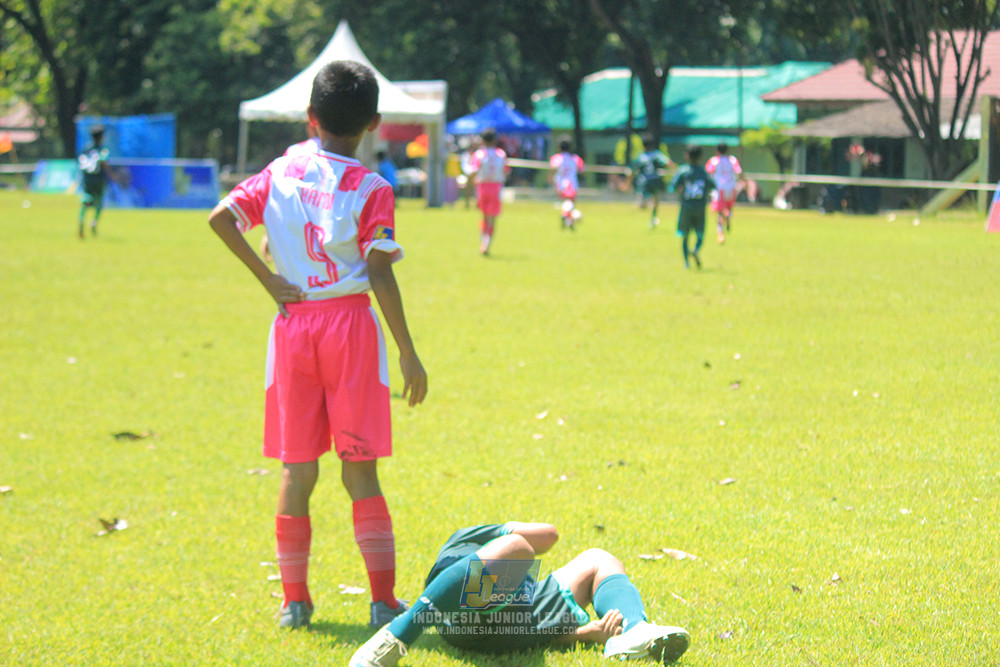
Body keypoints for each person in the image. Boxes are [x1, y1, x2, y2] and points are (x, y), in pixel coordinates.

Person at [208, 60, 428, 631]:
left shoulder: (282, 169)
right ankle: (383, 601)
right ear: (374, 122)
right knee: (361, 471)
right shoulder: (373, 189)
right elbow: (379, 271)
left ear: (310, 116)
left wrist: (268, 278)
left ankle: (295, 603)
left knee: (297, 470)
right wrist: (407, 351)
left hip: (293, 327)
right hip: (350, 329)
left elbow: (222, 218)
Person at [349, 521, 690, 666]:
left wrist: (582, 634)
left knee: (598, 558)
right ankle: (395, 637)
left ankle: (633, 630)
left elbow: (550, 537)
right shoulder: (464, 540)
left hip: (517, 620)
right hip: (462, 612)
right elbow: (543, 537)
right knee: (517, 548)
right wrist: (506, 528)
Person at [670, 145, 716, 270]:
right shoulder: (704, 172)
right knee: (700, 234)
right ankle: (695, 250)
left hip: (686, 207)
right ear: (701, 157)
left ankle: (686, 263)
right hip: (700, 207)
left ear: (687, 156)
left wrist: (680, 190)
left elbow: (672, 186)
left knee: (685, 236)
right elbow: (713, 185)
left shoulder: (682, 171)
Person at [468, 129, 508, 256]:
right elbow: (506, 170)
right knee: (492, 218)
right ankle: (487, 243)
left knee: (484, 216)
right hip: (496, 187)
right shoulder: (501, 154)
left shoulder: (479, 154)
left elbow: (473, 171)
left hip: (482, 187)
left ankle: (483, 241)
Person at [705, 144, 745, 244]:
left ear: (717, 151)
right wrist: (744, 181)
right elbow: (739, 172)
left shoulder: (714, 160)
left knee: (720, 212)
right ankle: (728, 216)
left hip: (720, 189)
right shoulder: (732, 160)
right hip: (731, 188)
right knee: (729, 208)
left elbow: (708, 171)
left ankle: (720, 234)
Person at [631, 136, 674, 229]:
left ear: (643, 145)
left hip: (643, 182)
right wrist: (673, 170)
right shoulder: (656, 154)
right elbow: (668, 162)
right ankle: (653, 217)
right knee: (655, 200)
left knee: (644, 201)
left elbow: (632, 169)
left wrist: (629, 181)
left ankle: (644, 202)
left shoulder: (640, 156)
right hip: (655, 180)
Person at [77, 125, 112, 238]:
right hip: (98, 179)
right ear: (101, 137)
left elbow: (81, 163)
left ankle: (82, 220)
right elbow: (103, 162)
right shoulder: (102, 149)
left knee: (85, 203)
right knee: (99, 203)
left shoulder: (86, 149)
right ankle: (94, 223)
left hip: (87, 179)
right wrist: (113, 175)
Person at [549, 137, 585, 231]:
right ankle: (565, 215)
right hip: (572, 183)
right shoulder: (576, 158)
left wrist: (550, 179)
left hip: (560, 183)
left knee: (567, 201)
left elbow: (552, 167)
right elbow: (582, 169)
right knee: (570, 201)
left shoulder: (557, 158)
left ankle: (568, 220)